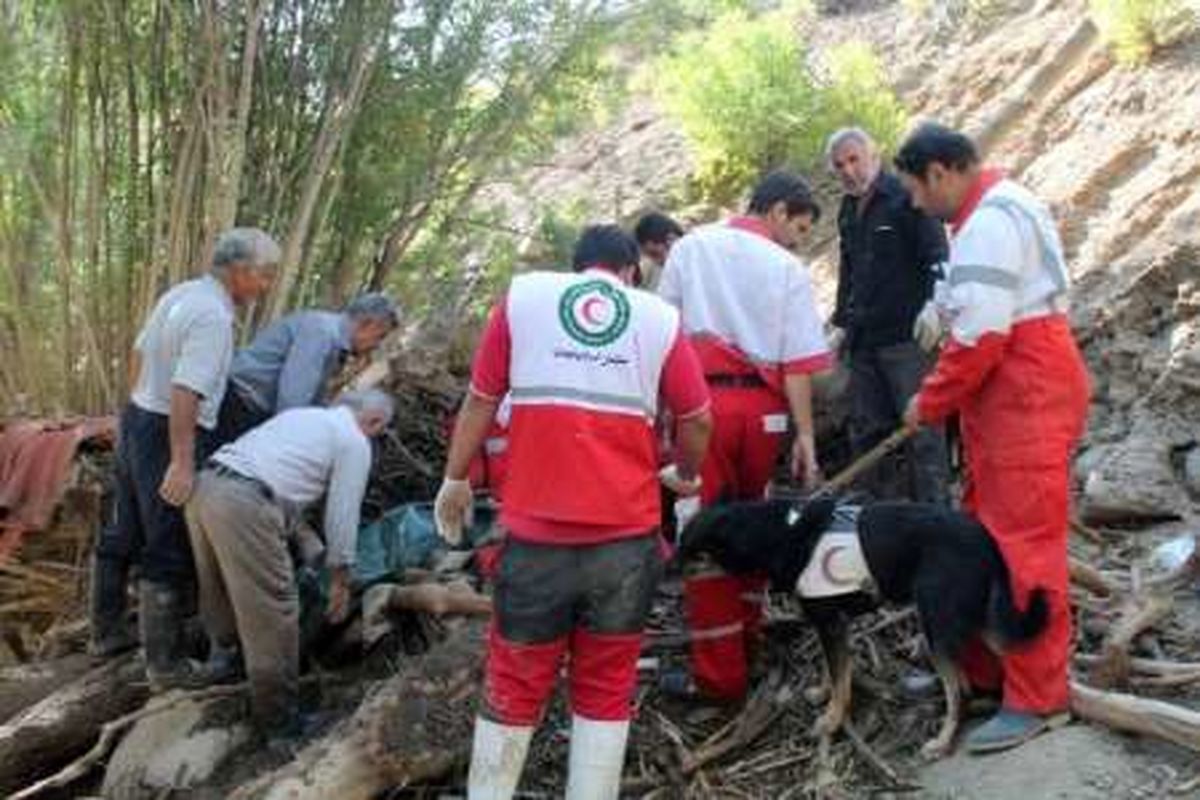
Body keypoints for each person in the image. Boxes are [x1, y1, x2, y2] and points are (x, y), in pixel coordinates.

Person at [435, 225, 713, 800]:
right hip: (626, 543)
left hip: (536, 539)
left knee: (513, 684)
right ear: (631, 272)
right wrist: (686, 473)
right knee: (606, 685)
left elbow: (481, 401)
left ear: (575, 266)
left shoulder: (523, 298)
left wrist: (455, 477)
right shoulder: (657, 317)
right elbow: (698, 417)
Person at [895, 123, 1090, 753]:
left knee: (1025, 548)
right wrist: (939, 308)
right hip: (1009, 398)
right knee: (981, 536)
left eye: (918, 191)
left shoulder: (991, 220)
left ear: (941, 172)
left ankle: (1038, 697)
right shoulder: (989, 215)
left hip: (1023, 394)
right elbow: (968, 304)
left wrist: (930, 400)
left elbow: (981, 337)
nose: (917, 205)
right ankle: (984, 670)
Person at [657, 170, 832, 702]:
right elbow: (798, 364)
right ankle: (748, 644)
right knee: (754, 519)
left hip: (701, 404)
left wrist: (664, 415)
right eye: (797, 228)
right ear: (776, 211)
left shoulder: (690, 248)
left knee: (703, 529)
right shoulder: (785, 268)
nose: (796, 241)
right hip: (765, 412)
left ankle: (719, 675)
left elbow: (663, 332)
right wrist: (804, 435)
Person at [89, 228, 280, 691]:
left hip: (139, 418)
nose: (267, 286)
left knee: (123, 530)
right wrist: (181, 460)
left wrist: (129, 411)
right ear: (240, 270)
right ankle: (165, 666)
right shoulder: (213, 315)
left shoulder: (182, 293)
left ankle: (106, 634)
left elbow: (138, 356)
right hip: (165, 429)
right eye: (265, 275)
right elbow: (186, 390)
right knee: (167, 542)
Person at [185, 389, 393, 741]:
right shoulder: (354, 442)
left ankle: (225, 665)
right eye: (379, 430)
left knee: (217, 588)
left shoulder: (303, 418)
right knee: (274, 614)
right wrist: (341, 578)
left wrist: (313, 550)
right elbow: (342, 514)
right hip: (245, 503)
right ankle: (279, 723)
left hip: (205, 486)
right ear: (373, 421)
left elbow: (279, 487)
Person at [827, 127, 951, 504]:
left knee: (923, 433)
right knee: (867, 434)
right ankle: (874, 523)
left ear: (873, 156)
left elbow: (938, 256)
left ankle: (935, 518)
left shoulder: (904, 198)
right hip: (864, 343)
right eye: (839, 165)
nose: (849, 170)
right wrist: (839, 325)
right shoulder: (848, 210)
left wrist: (937, 307)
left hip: (907, 341)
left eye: (854, 159)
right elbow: (849, 273)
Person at [216, 292, 399, 441]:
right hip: (237, 405)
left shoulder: (334, 341)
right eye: (380, 336)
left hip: (250, 408)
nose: (377, 345)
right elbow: (292, 401)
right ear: (366, 323)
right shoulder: (321, 333)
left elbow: (313, 400)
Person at [634, 211, 685, 289]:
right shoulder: (652, 270)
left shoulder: (696, 264)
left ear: (671, 239)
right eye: (648, 255)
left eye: (655, 254)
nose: (656, 261)